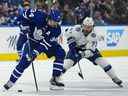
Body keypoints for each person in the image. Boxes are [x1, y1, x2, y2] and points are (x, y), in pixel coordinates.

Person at [1, 9, 65, 91]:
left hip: (46, 44)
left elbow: (45, 44)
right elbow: (24, 15)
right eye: (53, 21)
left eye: (57, 22)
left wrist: (34, 53)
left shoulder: (57, 30)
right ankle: (10, 82)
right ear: (48, 18)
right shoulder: (38, 15)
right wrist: (24, 26)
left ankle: (55, 79)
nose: (55, 24)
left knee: (60, 52)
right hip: (32, 43)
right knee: (24, 62)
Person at [63, 17, 123, 87]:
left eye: (89, 27)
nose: (86, 29)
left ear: (92, 27)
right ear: (82, 25)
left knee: (103, 63)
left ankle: (114, 77)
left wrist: (81, 54)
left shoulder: (94, 36)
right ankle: (55, 78)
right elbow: (66, 31)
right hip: (75, 49)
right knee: (67, 64)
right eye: (85, 26)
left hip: (87, 51)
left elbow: (90, 51)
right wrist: (71, 41)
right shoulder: (76, 29)